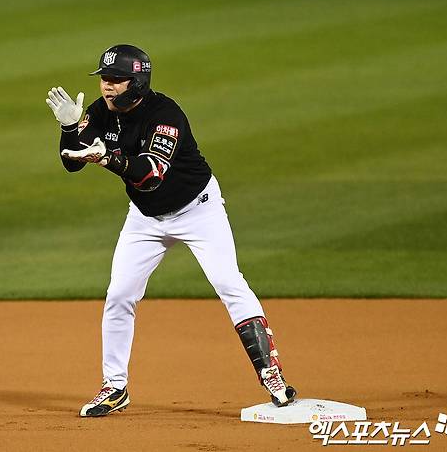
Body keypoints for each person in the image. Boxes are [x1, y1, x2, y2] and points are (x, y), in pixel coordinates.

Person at [45, 44, 296, 418]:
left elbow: (149, 176)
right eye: (104, 79)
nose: (107, 87)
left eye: (116, 79)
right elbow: (72, 164)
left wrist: (107, 157)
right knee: (119, 295)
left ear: (139, 81)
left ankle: (271, 374)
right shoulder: (100, 112)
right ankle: (114, 387)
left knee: (229, 283)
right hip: (146, 219)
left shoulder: (166, 115)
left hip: (199, 212)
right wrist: (69, 128)